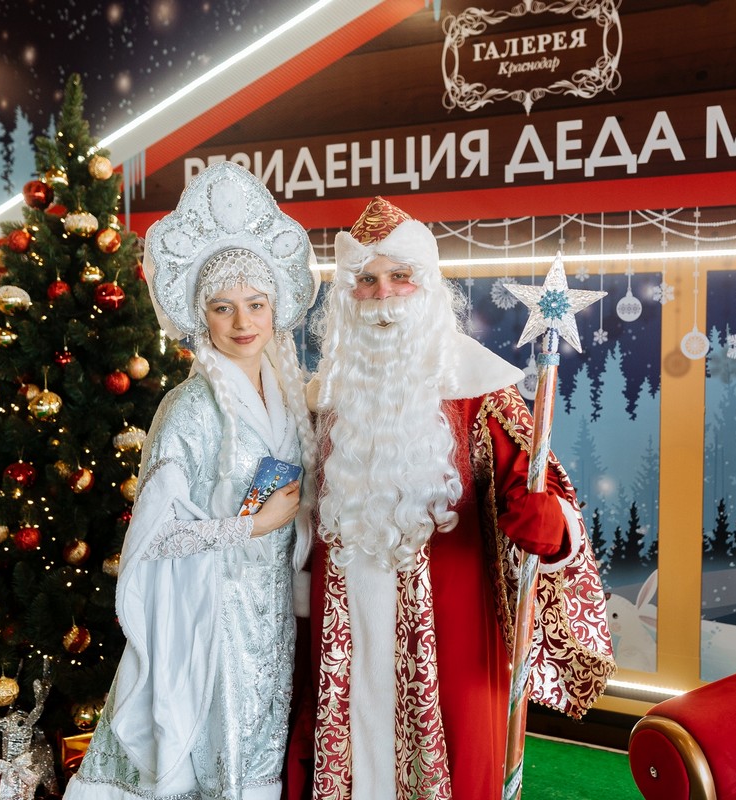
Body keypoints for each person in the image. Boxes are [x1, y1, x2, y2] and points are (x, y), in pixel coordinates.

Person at [300, 197, 615, 800]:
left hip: (450, 633)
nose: (383, 296)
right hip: (344, 627)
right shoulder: (325, 395)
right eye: (366, 280)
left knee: (458, 765)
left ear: (428, 287)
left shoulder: (481, 388)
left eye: (399, 276)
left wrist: (550, 525)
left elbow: (540, 486)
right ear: (344, 296)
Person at [64, 161, 317, 800]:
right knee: (216, 757)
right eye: (223, 308)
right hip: (212, 617)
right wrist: (250, 526)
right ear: (202, 316)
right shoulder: (189, 408)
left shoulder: (290, 398)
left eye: (256, 305)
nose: (242, 322)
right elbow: (155, 539)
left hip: (273, 613)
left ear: (275, 309)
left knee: (261, 754)